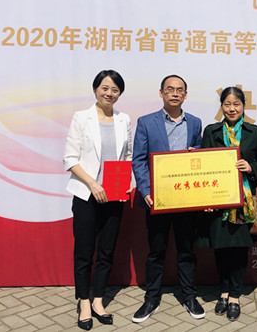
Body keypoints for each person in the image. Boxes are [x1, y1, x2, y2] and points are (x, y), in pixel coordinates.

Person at [131, 75, 205, 323]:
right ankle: (152, 298)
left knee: (186, 250)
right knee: (156, 251)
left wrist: (197, 153)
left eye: (179, 90)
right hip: (157, 199)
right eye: (170, 89)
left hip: (186, 199)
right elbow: (139, 160)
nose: (175, 93)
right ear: (161, 93)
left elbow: (199, 156)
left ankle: (189, 296)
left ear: (185, 95)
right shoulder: (146, 122)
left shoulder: (195, 122)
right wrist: (146, 191)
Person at [63, 69, 133, 330]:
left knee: (106, 250)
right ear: (95, 90)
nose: (109, 93)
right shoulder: (82, 117)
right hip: (86, 195)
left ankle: (98, 300)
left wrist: (126, 185)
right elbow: (70, 158)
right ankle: (83, 302)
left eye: (115, 90)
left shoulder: (124, 120)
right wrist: (93, 184)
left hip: (114, 195)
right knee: (84, 251)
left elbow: (127, 156)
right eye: (105, 88)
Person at [198, 86, 257, 321]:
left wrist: (251, 167)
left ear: (243, 107)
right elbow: (204, 164)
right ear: (221, 107)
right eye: (227, 104)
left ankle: (235, 296)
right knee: (221, 249)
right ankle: (224, 291)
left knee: (239, 250)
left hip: (244, 204)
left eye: (236, 104)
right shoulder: (211, 131)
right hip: (219, 201)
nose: (232, 108)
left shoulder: (254, 132)